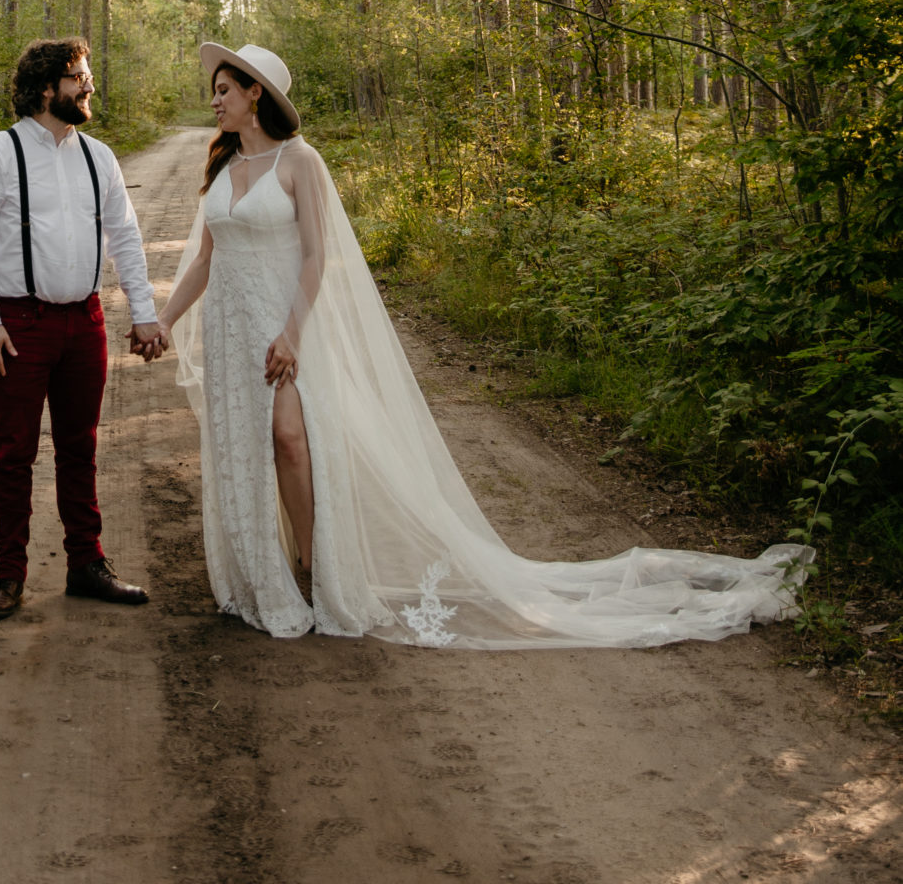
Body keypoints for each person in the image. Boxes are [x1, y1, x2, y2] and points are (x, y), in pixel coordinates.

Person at [157, 40, 813, 648]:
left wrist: (291, 332)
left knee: (291, 443)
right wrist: (164, 319)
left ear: (256, 95)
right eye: (213, 90)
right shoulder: (221, 164)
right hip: (229, 329)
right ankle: (258, 577)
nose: (214, 99)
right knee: (246, 450)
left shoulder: (300, 161)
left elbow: (315, 257)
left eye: (224, 89)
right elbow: (205, 260)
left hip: (282, 327)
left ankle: (312, 570)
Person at [0, 37, 164, 622]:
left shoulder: (99, 157)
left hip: (85, 320)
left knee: (81, 447)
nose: (89, 85)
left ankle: (86, 565)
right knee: (14, 452)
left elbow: (124, 236)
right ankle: (9, 577)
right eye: (79, 76)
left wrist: (143, 312)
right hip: (19, 323)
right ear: (47, 87)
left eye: (87, 74)